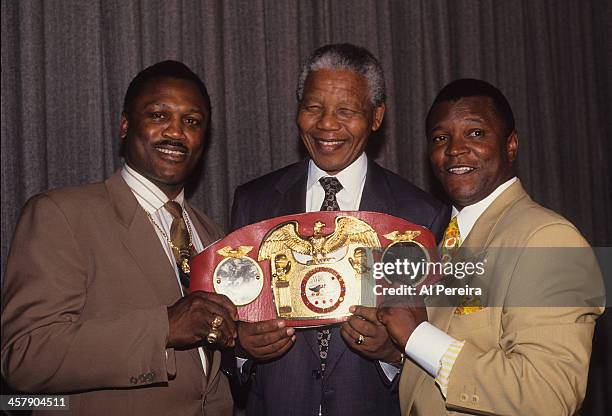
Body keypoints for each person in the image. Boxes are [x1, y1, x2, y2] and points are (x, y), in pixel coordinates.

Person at [1, 61, 237, 415]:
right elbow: (24, 355)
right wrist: (165, 328)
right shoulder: (60, 214)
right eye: (159, 115)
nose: (176, 132)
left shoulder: (213, 234)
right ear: (125, 125)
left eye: (192, 121)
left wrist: (245, 344)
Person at [229, 43, 449, 416]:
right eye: (313, 108)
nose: (327, 124)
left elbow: (440, 345)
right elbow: (229, 321)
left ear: (377, 117)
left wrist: (394, 353)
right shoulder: (253, 202)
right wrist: (240, 347)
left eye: (346, 110)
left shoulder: (421, 215)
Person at [377, 78, 604, 415]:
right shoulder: (436, 240)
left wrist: (417, 337)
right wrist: (394, 351)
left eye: (475, 133)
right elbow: (444, 358)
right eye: (441, 138)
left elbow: (548, 395)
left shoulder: (549, 238)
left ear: (510, 145)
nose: (455, 149)